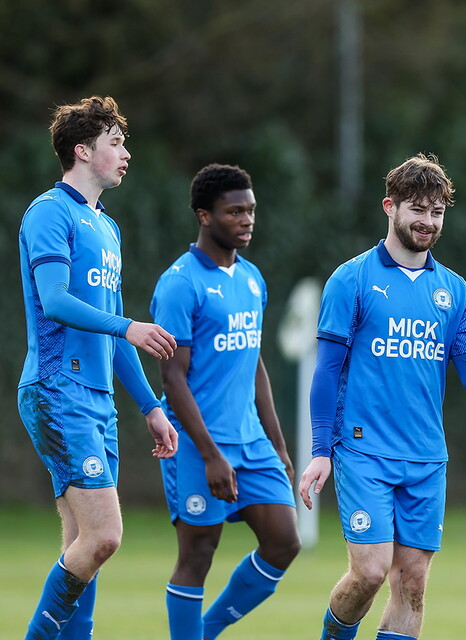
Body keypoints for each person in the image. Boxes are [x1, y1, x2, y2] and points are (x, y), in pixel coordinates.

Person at [298, 154, 466, 640]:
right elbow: (326, 372)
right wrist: (321, 451)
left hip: (426, 457)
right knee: (368, 572)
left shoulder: (455, 291)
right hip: (362, 450)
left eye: (436, 212)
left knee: (413, 582)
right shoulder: (352, 279)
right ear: (390, 207)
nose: (427, 222)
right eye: (417, 210)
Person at [17, 96, 178, 639]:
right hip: (57, 386)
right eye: (116, 143)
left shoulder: (106, 228)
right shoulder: (49, 212)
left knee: (82, 546)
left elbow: (112, 334)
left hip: (96, 399)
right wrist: (127, 326)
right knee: (104, 535)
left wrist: (152, 410)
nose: (125, 153)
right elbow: (56, 302)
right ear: (83, 151)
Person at [150, 164, 300, 640]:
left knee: (284, 542)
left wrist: (277, 444)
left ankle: (206, 631)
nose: (246, 220)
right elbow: (173, 378)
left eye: (251, 210)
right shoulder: (180, 283)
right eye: (234, 211)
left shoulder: (252, 278)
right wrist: (212, 455)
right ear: (204, 215)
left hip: (251, 440)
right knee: (198, 554)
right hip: (198, 444)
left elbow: (255, 366)